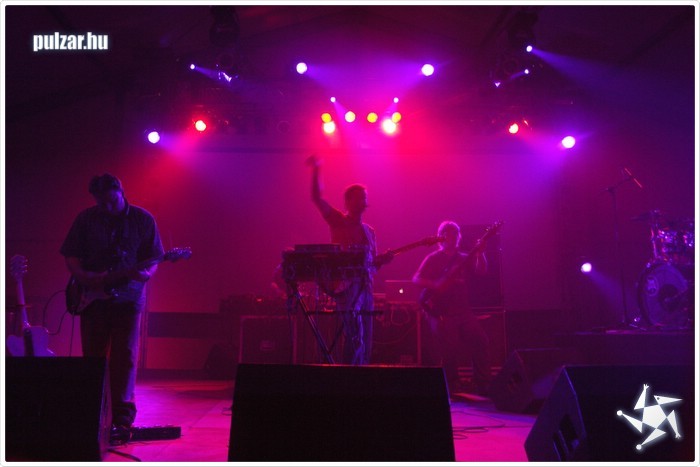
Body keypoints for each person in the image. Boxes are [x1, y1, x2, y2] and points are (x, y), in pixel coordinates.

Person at [60, 173, 163, 444]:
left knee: (125, 357)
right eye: (100, 201)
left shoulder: (142, 219)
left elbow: (154, 257)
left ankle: (122, 420)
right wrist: (84, 276)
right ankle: (93, 413)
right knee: (93, 357)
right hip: (93, 299)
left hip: (129, 299)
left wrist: (146, 274)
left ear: (121, 191)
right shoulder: (86, 219)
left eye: (110, 200)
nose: (105, 206)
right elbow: (71, 255)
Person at [306, 155, 392, 364]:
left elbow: (371, 266)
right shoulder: (338, 220)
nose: (362, 200)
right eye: (358, 197)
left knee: (366, 336)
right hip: (346, 286)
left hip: (366, 288)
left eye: (364, 197)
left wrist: (382, 261)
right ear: (348, 201)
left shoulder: (370, 232)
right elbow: (317, 198)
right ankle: (348, 372)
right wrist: (317, 168)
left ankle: (360, 371)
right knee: (353, 333)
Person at [412, 220, 491, 397]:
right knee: (449, 347)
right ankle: (452, 384)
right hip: (442, 312)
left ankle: (483, 383)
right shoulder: (433, 258)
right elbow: (416, 279)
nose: (453, 236)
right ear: (441, 236)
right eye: (448, 233)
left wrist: (480, 253)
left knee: (481, 341)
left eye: (455, 233)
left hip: (463, 311)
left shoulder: (464, 257)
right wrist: (435, 284)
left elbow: (481, 271)